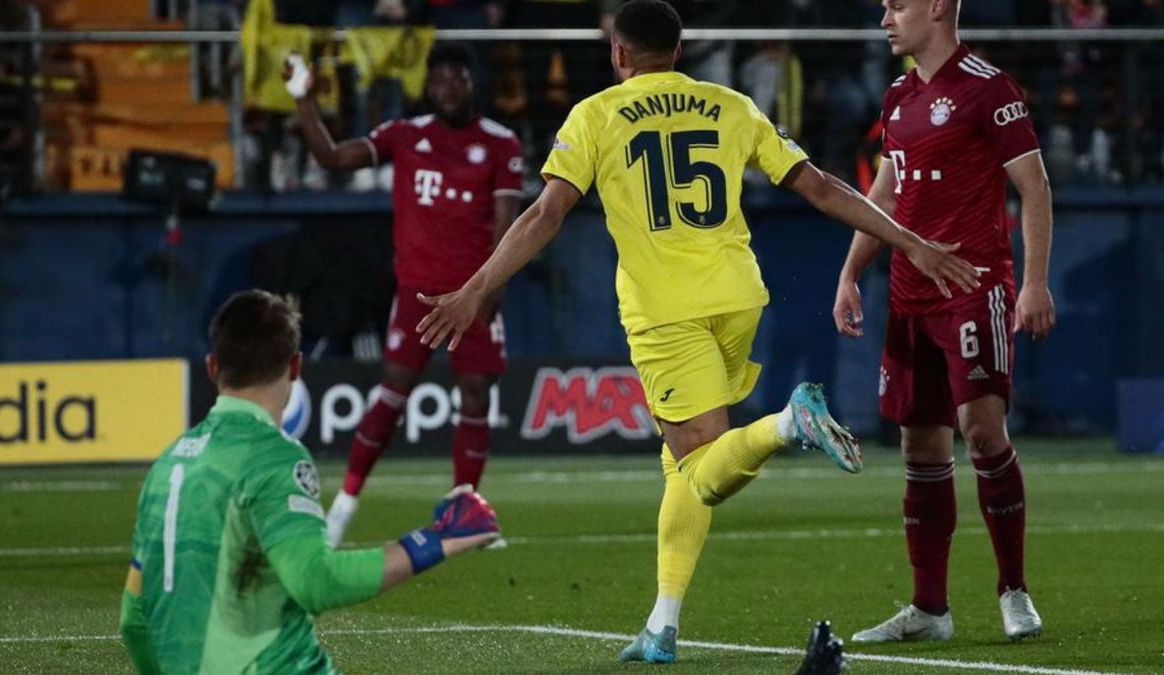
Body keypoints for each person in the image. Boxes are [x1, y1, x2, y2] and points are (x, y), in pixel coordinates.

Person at [415, 0, 980, 662]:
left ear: (620, 55)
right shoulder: (729, 103)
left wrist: (475, 289)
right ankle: (663, 621)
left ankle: (789, 424)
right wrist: (908, 241)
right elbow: (822, 186)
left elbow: (546, 213)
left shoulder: (594, 115)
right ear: (678, 52)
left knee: (700, 467)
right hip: (738, 298)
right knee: (678, 463)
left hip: (665, 311)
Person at [118, 290, 500, 674]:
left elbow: (134, 621)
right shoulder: (275, 457)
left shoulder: (167, 464)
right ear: (296, 366)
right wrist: (437, 540)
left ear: (213, 367)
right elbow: (317, 582)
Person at [833, 0, 1054, 643]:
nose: (884, 18)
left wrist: (1033, 281)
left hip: (973, 284)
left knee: (982, 431)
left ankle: (1014, 590)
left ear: (936, 8)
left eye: (896, 6)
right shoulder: (898, 95)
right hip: (908, 294)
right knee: (919, 444)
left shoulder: (989, 89)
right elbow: (886, 193)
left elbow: (1034, 187)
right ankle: (930, 610)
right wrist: (850, 273)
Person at [285, 42, 524, 547]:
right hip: (416, 293)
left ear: (471, 83)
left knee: (476, 395)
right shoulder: (406, 135)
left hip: (472, 295)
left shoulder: (501, 144)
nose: (449, 87)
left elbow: (508, 224)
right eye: (440, 79)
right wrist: (304, 99)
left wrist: (492, 287)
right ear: (427, 86)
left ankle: (469, 512)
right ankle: (343, 509)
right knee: (391, 395)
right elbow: (332, 156)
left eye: (458, 77)